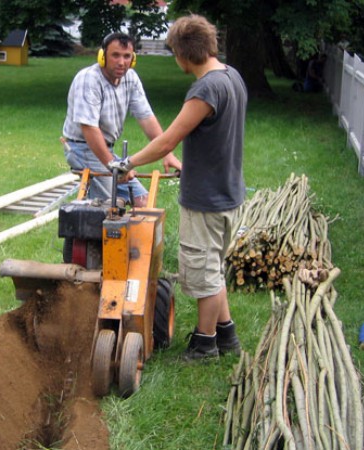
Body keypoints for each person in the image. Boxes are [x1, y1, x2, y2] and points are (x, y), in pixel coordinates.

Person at [109, 14, 245, 362]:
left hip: (207, 199)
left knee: (203, 275)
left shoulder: (206, 89)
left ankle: (205, 344)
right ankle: (226, 333)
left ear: (185, 54)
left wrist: (129, 163)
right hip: (228, 192)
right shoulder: (232, 76)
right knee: (212, 265)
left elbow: (168, 139)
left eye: (174, 53)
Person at [62, 32, 181, 206]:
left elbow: (146, 117)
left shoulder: (130, 78)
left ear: (133, 59)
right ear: (102, 56)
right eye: (115, 55)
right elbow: (89, 129)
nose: (121, 62)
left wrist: (167, 154)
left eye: (127, 56)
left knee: (143, 201)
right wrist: (114, 166)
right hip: (82, 148)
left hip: (106, 150)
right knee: (108, 207)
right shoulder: (88, 80)